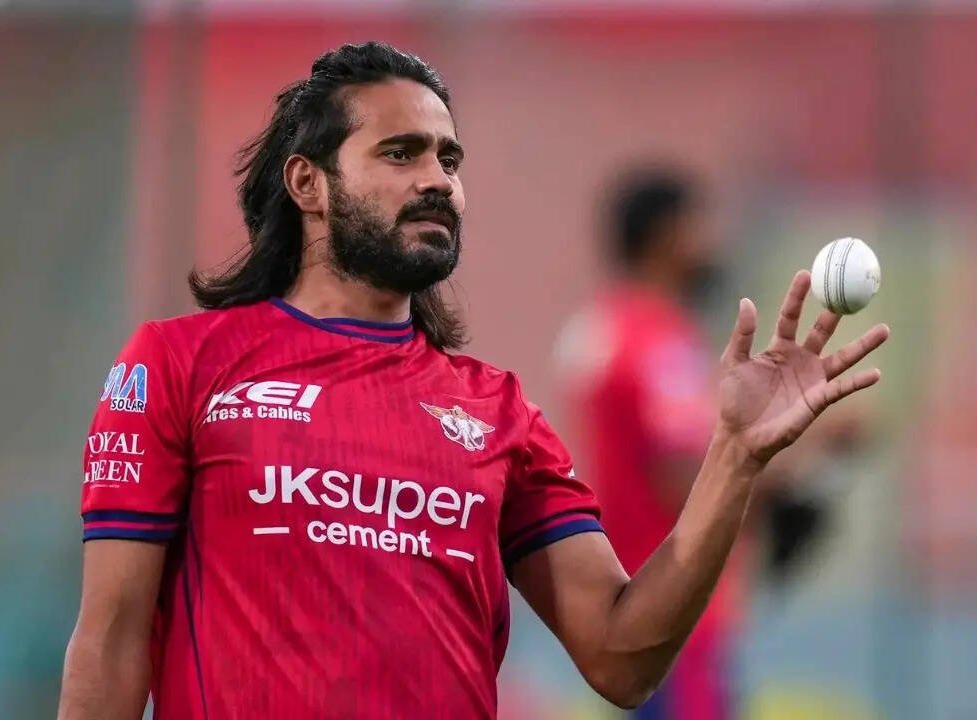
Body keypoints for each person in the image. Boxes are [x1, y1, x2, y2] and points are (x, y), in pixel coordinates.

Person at [57, 42, 889, 720]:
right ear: (308, 183)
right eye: (400, 153)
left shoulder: (497, 412)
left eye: (448, 158)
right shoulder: (179, 366)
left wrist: (735, 457)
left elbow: (621, 657)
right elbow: (111, 642)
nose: (437, 179)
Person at [553, 169, 736, 718]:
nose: (712, 240)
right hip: (676, 613)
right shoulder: (657, 340)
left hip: (637, 604)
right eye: (700, 223)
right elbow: (684, 481)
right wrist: (796, 466)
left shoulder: (606, 327)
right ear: (667, 233)